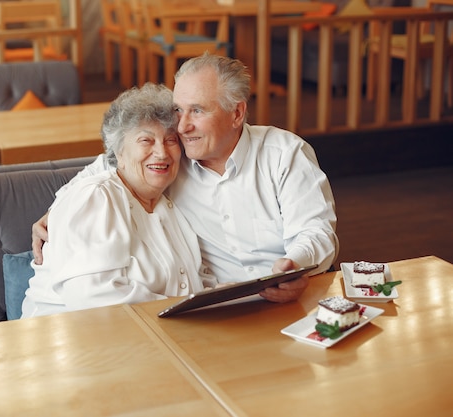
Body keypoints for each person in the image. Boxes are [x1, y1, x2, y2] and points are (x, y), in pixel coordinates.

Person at [32, 53, 339, 304]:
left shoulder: (284, 154)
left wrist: (295, 266)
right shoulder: (173, 161)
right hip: (220, 311)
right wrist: (57, 211)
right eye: (179, 110)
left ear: (237, 113)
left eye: (197, 110)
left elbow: (316, 231)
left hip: (289, 299)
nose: (182, 126)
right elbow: (112, 162)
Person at [21, 83, 216, 318]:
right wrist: (181, 312)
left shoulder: (171, 207)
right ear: (119, 153)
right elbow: (90, 299)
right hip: (70, 341)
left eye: (171, 140)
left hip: (150, 338)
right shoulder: (96, 197)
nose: (162, 152)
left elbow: (194, 282)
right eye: (146, 141)